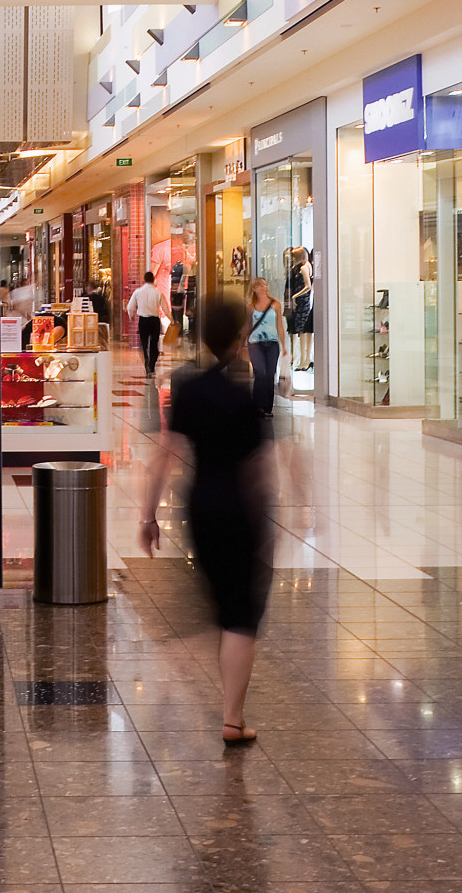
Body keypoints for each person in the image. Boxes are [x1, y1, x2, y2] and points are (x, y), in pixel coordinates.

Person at [137, 296, 272, 747]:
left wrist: (148, 515)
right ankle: (232, 717)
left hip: (199, 506)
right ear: (239, 340)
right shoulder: (244, 398)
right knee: (240, 615)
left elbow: (164, 456)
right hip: (237, 509)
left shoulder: (187, 388)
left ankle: (207, 636)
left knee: (221, 602)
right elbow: (258, 470)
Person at [245, 278, 282, 415]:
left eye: (265, 284)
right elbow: (247, 326)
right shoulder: (251, 306)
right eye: (260, 285)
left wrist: (283, 345)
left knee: (270, 374)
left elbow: (280, 325)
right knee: (260, 373)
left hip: (272, 343)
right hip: (255, 343)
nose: (264, 287)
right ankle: (258, 405)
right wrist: (242, 343)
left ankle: (268, 407)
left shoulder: (275, 304)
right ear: (254, 289)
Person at [126, 268, 167, 379]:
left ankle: (147, 363)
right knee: (154, 343)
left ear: (144, 280)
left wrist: (132, 316)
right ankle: (152, 366)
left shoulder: (138, 292)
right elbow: (165, 307)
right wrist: (171, 319)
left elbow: (130, 307)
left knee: (144, 344)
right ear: (153, 280)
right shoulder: (158, 292)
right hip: (155, 321)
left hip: (143, 320)